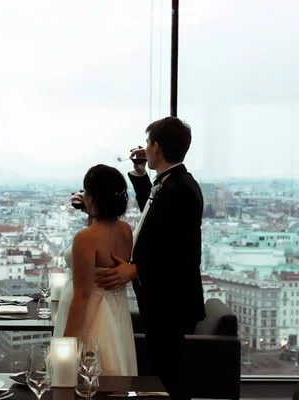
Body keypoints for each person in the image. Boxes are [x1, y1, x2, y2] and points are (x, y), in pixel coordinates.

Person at [94, 117, 205, 400]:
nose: (144, 148)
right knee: (163, 369)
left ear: (155, 147)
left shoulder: (180, 189)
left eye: (147, 143)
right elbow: (157, 215)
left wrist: (136, 270)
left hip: (170, 298)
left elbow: (182, 253)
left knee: (169, 374)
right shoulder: (175, 184)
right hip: (165, 296)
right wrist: (140, 173)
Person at [52, 164, 137, 376]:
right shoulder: (125, 230)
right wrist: (91, 211)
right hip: (115, 312)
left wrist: (67, 344)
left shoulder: (85, 237)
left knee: (80, 378)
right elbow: (101, 233)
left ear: (91, 197)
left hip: (88, 315)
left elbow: (82, 295)